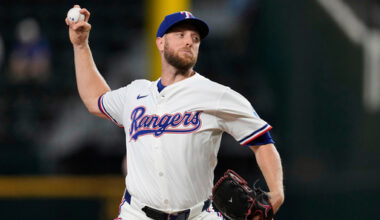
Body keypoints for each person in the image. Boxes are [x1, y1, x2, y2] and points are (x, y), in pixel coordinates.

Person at [66, 5, 284, 220]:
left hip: (198, 215)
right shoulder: (136, 93)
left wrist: (276, 193)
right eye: (180, 35)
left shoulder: (217, 95)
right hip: (137, 214)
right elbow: (95, 100)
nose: (189, 41)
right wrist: (80, 45)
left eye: (195, 38)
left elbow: (262, 141)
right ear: (160, 43)